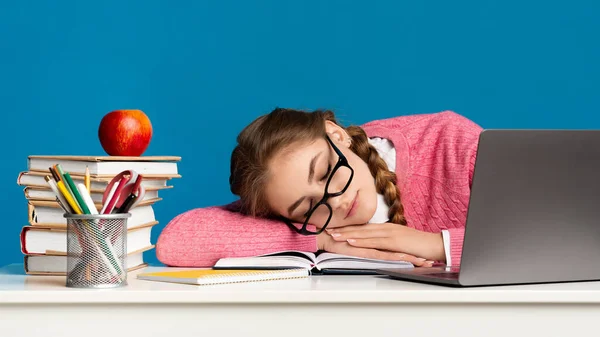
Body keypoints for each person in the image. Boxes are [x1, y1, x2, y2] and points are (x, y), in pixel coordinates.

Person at [156, 108, 483, 268]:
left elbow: (534, 231)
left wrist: (435, 245)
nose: (337, 201)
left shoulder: (448, 139)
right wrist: (319, 238)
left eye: (327, 172)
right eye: (310, 207)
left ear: (336, 135)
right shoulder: (298, 212)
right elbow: (175, 242)